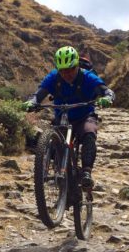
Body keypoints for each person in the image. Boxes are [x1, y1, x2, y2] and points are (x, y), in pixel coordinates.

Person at [23, 46, 115, 188]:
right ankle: (58, 170)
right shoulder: (54, 77)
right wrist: (31, 102)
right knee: (50, 143)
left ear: (77, 65)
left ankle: (86, 173)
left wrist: (107, 98)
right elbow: (38, 94)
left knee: (89, 133)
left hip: (84, 116)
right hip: (61, 117)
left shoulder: (88, 77)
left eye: (70, 69)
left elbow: (106, 91)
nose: (66, 74)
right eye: (62, 70)